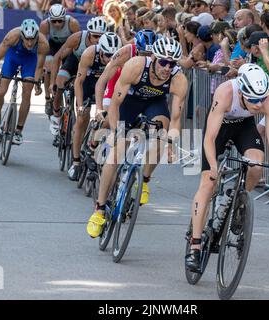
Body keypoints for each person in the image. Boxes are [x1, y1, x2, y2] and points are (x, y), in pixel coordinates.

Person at [185, 63, 269, 272]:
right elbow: (209, 138)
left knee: (256, 165)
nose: (258, 105)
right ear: (242, 91)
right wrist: (212, 168)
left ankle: (240, 200)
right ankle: (194, 245)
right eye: (253, 100)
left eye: (261, 99)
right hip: (219, 129)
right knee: (208, 184)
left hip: (244, 128)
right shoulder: (226, 92)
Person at [86, 38, 188, 238]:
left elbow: (176, 118)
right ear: (153, 58)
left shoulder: (179, 80)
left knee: (161, 135)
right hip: (129, 103)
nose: (167, 68)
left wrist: (171, 145)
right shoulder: (135, 66)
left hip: (155, 104)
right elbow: (115, 105)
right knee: (115, 155)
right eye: (163, 62)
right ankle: (99, 210)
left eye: (172, 64)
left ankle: (145, 179)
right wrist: (116, 131)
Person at [67, 32, 123, 181]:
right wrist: (80, 106)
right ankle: (76, 161)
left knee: (109, 117)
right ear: (100, 50)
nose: (110, 59)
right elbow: (78, 82)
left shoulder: (120, 58)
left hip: (107, 85)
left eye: (114, 55)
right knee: (82, 118)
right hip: (88, 84)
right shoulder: (89, 54)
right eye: (107, 55)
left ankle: (97, 148)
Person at [49, 16, 107, 143]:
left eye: (101, 37)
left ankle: (78, 135)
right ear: (89, 34)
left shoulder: (106, 45)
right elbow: (57, 57)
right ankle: (56, 113)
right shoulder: (77, 38)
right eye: (95, 36)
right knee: (60, 83)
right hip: (74, 63)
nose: (98, 40)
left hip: (91, 71)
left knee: (83, 110)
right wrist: (52, 82)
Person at [0, 19, 49, 145]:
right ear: (22, 35)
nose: (29, 42)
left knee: (27, 91)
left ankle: (18, 130)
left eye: (32, 39)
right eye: (26, 39)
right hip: (13, 57)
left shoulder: (43, 44)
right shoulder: (12, 36)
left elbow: (39, 67)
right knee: (1, 91)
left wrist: (37, 83)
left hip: (29, 61)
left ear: (37, 36)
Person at [40, 4, 80, 116]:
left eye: (60, 21)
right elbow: (42, 46)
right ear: (49, 20)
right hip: (53, 45)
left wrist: (63, 56)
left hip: (68, 46)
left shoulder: (72, 23)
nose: (57, 24)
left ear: (65, 18)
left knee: (67, 67)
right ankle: (48, 99)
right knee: (48, 67)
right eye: (54, 21)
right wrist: (42, 65)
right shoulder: (44, 25)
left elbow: (78, 42)